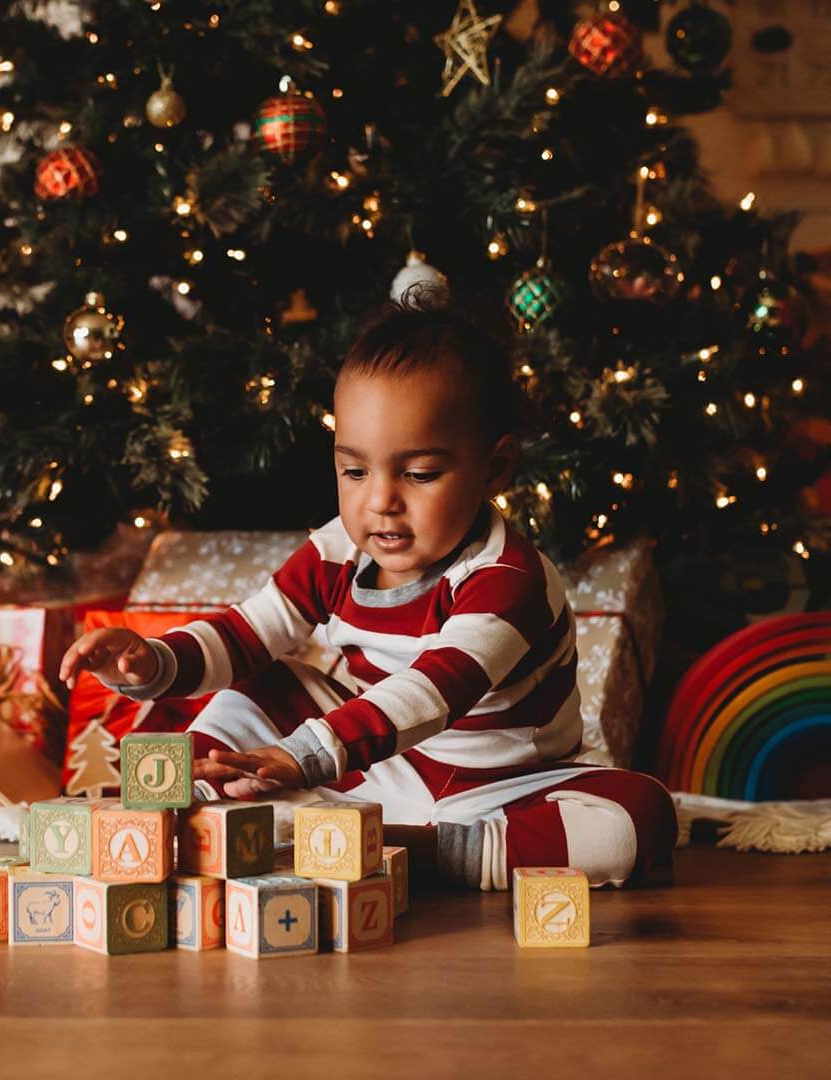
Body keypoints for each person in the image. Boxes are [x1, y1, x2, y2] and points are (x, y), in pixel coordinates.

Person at [60, 299, 678, 891]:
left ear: (494, 469)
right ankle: (197, 800)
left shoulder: (509, 577)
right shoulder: (340, 549)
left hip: (503, 788)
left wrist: (303, 756)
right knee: (259, 681)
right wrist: (154, 661)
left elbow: (430, 694)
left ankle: (442, 853)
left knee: (638, 816)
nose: (380, 500)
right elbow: (248, 630)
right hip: (371, 767)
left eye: (418, 474)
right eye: (355, 471)